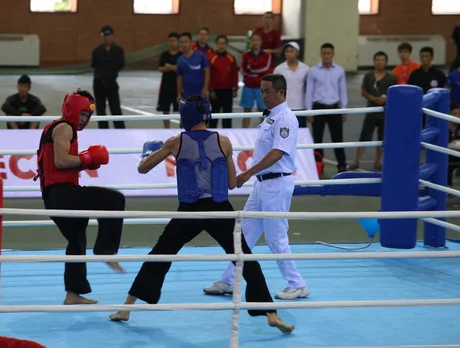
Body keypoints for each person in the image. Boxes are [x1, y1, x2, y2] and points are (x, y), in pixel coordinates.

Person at [108, 95, 294, 334]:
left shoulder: (175, 142)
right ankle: (271, 314)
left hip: (190, 211)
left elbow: (142, 169)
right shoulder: (224, 142)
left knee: (159, 255)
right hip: (219, 209)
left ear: (186, 115)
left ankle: (126, 308)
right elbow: (230, 183)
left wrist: (148, 153)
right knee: (245, 259)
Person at [203, 74, 309, 301]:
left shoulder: (286, 119)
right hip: (262, 185)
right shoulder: (270, 117)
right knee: (243, 234)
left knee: (276, 237)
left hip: (276, 184)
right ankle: (228, 280)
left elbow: (277, 153)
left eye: (267, 91)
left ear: (280, 92)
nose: (262, 96)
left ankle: (297, 283)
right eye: (261, 91)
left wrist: (248, 172)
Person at [34, 89, 126, 305]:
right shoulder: (65, 128)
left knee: (77, 238)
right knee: (114, 200)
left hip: (55, 195)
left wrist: (85, 162)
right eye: (83, 114)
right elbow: (61, 162)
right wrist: (85, 158)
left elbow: (59, 166)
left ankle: (72, 294)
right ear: (72, 109)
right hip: (62, 194)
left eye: (88, 116)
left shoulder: (57, 127)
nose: (85, 120)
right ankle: (105, 250)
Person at [348, 52, 397, 171]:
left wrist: (385, 99)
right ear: (374, 61)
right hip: (371, 112)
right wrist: (374, 99)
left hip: (385, 113)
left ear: (386, 62)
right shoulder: (368, 76)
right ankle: (356, 161)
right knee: (365, 136)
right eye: (377, 60)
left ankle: (377, 161)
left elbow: (394, 94)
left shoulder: (392, 78)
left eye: (382, 60)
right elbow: (363, 92)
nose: (380, 62)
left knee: (382, 138)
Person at [305, 42, 348, 173]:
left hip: (334, 108)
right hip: (318, 108)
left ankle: (342, 165)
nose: (326, 56)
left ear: (333, 54)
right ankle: (318, 166)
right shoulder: (313, 71)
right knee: (317, 139)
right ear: (321, 54)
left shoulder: (339, 70)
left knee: (338, 139)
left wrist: (344, 109)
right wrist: (309, 111)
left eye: (329, 53)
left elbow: (342, 91)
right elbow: (309, 92)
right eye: (324, 53)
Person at [91, 25, 126, 129]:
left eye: (108, 35)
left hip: (111, 82)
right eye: (104, 35)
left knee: (115, 108)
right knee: (100, 109)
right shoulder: (96, 51)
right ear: (101, 37)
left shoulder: (118, 50)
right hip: (99, 83)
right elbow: (94, 65)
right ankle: (103, 129)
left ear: (112, 36)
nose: (106, 38)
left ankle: (120, 129)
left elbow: (121, 64)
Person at [240, 32, 273, 128]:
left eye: (257, 40)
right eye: (253, 40)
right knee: (246, 111)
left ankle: (264, 132)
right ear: (250, 42)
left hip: (262, 88)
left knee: (263, 110)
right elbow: (242, 70)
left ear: (261, 42)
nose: (255, 42)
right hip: (248, 87)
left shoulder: (267, 54)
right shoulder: (245, 55)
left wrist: (251, 69)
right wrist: (256, 73)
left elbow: (265, 68)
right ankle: (244, 133)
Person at [273, 42, 309, 127]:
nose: (289, 54)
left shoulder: (306, 69)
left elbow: (309, 89)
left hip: (301, 107)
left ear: (297, 52)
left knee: (300, 133)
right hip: (284, 108)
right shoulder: (279, 69)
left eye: (292, 51)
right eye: (287, 51)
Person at [208, 34, 239, 128]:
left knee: (227, 117)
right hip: (215, 92)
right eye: (219, 43)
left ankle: (227, 138)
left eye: (223, 43)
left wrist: (235, 89)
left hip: (228, 91)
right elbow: (208, 76)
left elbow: (234, 74)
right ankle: (212, 137)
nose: (221, 45)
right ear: (216, 44)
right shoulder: (211, 58)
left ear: (227, 45)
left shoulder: (231, 58)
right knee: (213, 117)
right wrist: (211, 90)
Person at [156, 31, 182, 129]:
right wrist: (173, 68)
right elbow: (160, 68)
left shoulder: (181, 56)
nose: (172, 43)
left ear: (178, 42)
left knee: (180, 109)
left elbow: (180, 69)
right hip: (166, 85)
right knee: (165, 109)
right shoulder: (164, 55)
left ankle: (181, 128)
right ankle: (166, 129)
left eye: (174, 41)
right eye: (170, 41)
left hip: (178, 86)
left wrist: (169, 67)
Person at [176, 32, 210, 101]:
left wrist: (205, 88)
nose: (183, 44)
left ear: (191, 42)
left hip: (200, 93)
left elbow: (207, 71)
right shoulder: (180, 60)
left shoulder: (200, 56)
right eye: (181, 42)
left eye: (186, 42)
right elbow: (179, 77)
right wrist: (179, 93)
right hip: (187, 93)